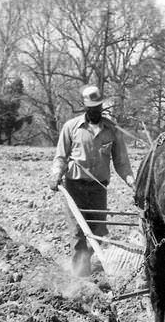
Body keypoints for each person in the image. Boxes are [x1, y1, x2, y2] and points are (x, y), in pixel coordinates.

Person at [49, 85, 136, 277]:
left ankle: (90, 267)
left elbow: (122, 162)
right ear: (85, 107)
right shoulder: (71, 127)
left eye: (98, 107)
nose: (96, 111)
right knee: (78, 234)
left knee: (98, 234)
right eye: (92, 108)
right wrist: (55, 174)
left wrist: (132, 182)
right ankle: (79, 278)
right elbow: (61, 157)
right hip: (75, 188)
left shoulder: (112, 131)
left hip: (98, 189)